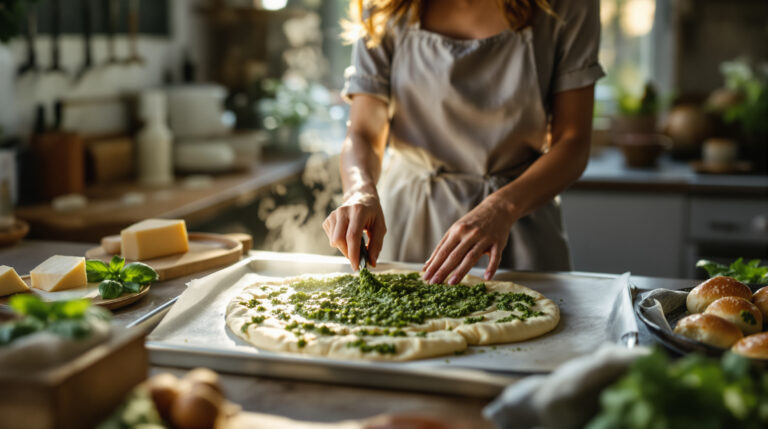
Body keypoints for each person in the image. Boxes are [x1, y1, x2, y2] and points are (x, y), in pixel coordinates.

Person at [323, 0, 604, 285]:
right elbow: (364, 132)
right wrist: (360, 192)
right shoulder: (385, 6)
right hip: (407, 223)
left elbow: (573, 142)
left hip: (520, 223)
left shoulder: (568, 6)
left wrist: (501, 208)